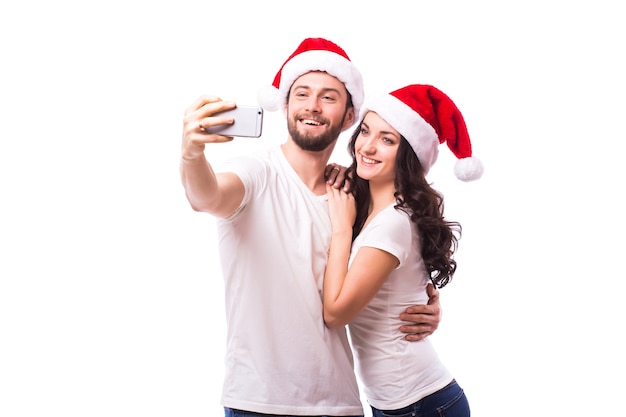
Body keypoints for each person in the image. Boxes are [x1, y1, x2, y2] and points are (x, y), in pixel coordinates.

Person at [180, 38, 443, 417]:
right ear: (285, 105)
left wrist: (426, 303)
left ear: (350, 117)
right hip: (259, 402)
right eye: (301, 93)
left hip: (341, 402)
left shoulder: (354, 196)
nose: (312, 106)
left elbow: (388, 266)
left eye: (329, 97)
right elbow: (206, 196)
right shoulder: (256, 173)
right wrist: (191, 155)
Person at [323, 84, 484, 416]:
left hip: (419, 403)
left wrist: (341, 229)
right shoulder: (375, 208)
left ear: (409, 154)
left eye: (387, 139)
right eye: (365, 131)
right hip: (399, 400)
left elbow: (336, 313)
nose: (367, 146)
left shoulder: (392, 223)